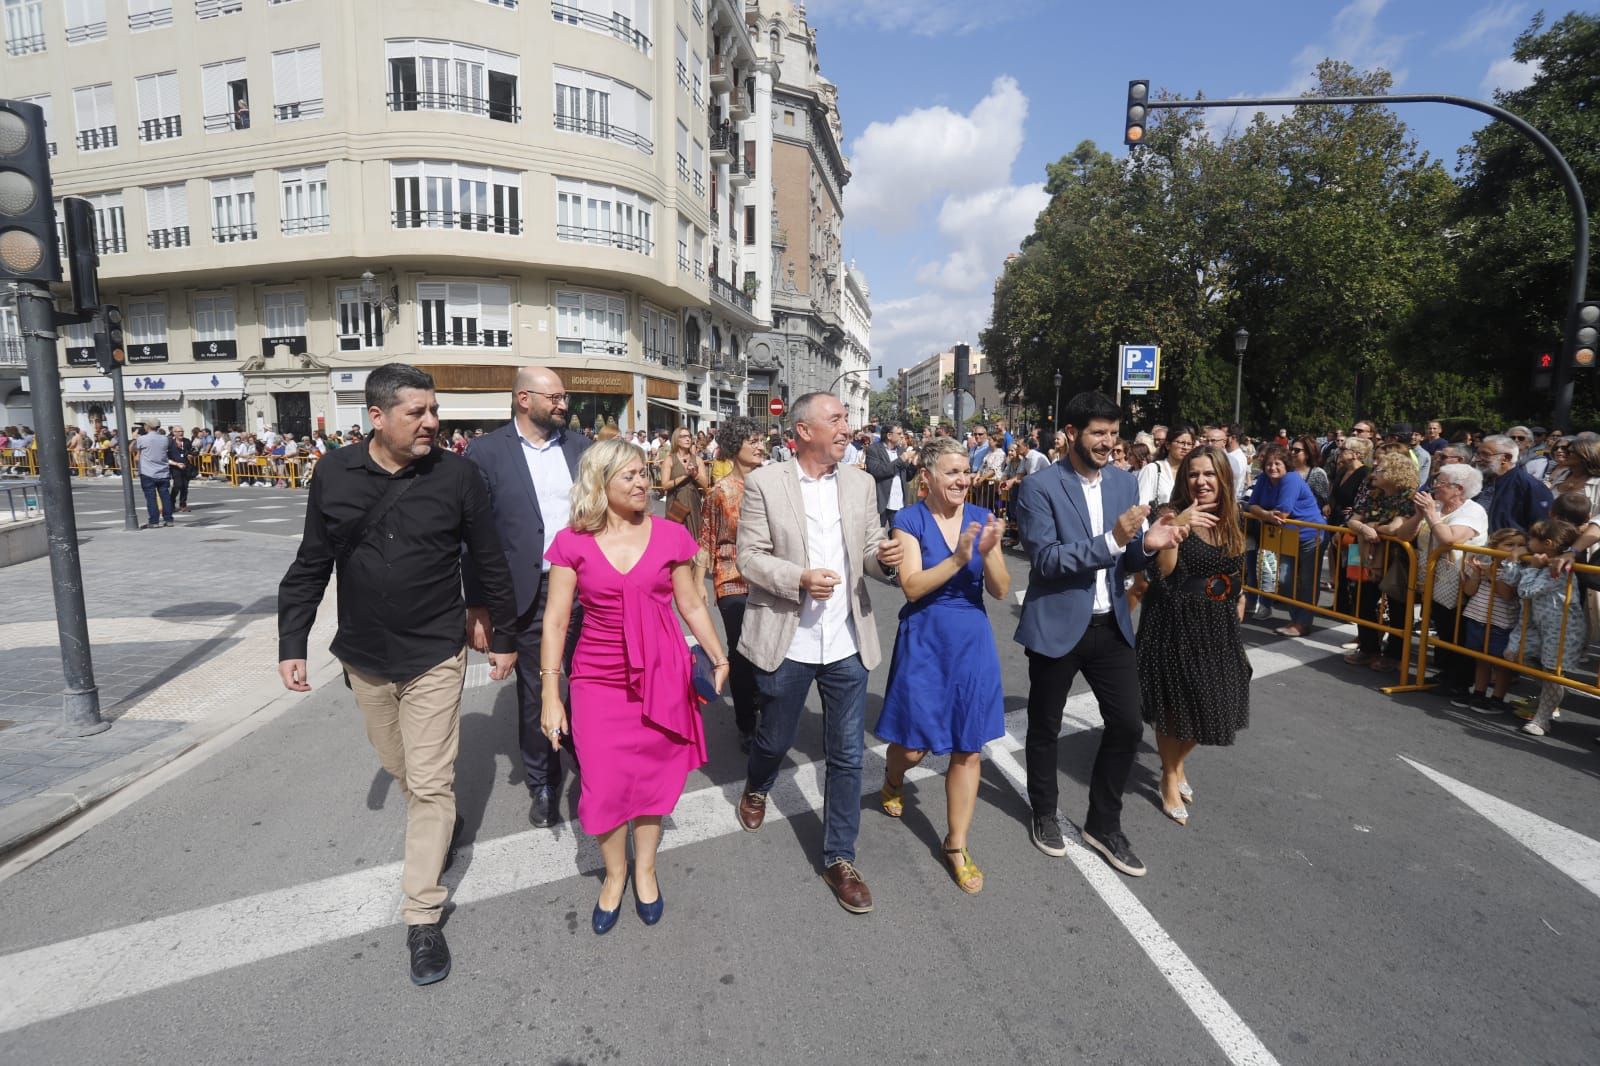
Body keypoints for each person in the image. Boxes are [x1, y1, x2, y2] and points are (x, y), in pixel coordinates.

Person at [276, 362, 520, 987]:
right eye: (418, 412)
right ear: (377, 418)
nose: (433, 423)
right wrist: (292, 641)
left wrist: (504, 637)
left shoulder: (458, 475)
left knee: (432, 784)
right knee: (401, 768)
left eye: (434, 411)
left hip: (436, 651)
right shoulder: (333, 473)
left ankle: (421, 917)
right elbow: (312, 562)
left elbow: (488, 559)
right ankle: (440, 826)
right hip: (363, 654)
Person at [1012, 391, 1211, 878]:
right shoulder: (1039, 487)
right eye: (1097, 433)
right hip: (1058, 624)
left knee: (1126, 725)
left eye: (1112, 434)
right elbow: (1047, 560)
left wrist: (1147, 543)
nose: (1106, 443)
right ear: (1071, 434)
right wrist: (1117, 539)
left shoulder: (1123, 484)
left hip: (1111, 623)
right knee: (1045, 727)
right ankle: (1044, 812)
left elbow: (1129, 559)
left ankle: (1103, 823)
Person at [538, 440, 729, 933]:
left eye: (644, 473)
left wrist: (717, 653)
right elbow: (556, 622)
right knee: (602, 785)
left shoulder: (669, 536)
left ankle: (645, 869)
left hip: (663, 673)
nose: (643, 482)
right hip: (597, 680)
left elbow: (690, 604)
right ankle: (614, 874)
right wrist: (549, 694)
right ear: (600, 483)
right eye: (629, 476)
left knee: (652, 779)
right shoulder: (572, 542)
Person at [732, 392, 904, 913]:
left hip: (848, 642)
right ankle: (758, 784)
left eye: (846, 417)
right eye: (835, 418)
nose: (846, 425)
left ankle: (839, 859)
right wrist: (799, 578)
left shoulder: (858, 481)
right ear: (804, 431)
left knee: (848, 755)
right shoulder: (766, 483)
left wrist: (886, 559)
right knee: (774, 739)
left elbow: (870, 546)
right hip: (790, 639)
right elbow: (749, 557)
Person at [874, 436, 1009, 894]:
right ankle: (893, 777)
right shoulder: (909, 520)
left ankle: (956, 844)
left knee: (968, 747)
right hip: (926, 640)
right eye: (952, 472)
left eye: (965, 471)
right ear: (926, 479)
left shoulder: (981, 518)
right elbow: (911, 586)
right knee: (913, 748)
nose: (962, 480)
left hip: (971, 641)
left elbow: (1002, 590)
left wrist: (988, 551)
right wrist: (958, 558)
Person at [462, 367, 590, 829]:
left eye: (563, 397)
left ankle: (595, 767)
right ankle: (543, 781)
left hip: (585, 586)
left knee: (591, 683)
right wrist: (477, 606)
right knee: (541, 688)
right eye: (554, 397)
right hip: (530, 592)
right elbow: (472, 537)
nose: (563, 404)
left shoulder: (581, 448)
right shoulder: (487, 452)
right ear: (523, 399)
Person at [1137, 445, 1250, 826]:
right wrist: (1177, 528)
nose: (1201, 482)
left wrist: (1240, 595)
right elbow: (1164, 573)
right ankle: (1170, 777)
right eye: (1193, 474)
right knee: (1176, 706)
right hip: (1174, 620)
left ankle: (1178, 763)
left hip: (1217, 621)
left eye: (1209, 474)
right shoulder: (1170, 514)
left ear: (1223, 478)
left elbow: (1236, 564)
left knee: (1217, 698)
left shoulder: (1232, 517)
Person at [701, 417, 768, 752]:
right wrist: (698, 583)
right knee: (741, 652)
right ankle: (746, 723)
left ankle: (763, 705)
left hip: (769, 578)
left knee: (769, 647)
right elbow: (706, 540)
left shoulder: (773, 485)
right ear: (734, 447)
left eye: (761, 440)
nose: (760, 446)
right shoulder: (720, 492)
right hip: (732, 579)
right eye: (752, 441)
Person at [1399, 463, 1490, 700]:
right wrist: (1420, 515)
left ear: (1458, 488)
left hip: (1461, 581)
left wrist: (1430, 515)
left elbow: (1449, 538)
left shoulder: (1473, 511)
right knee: (1442, 626)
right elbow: (1403, 535)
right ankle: (1446, 672)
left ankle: (1460, 681)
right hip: (1432, 578)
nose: (1435, 486)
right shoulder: (1436, 506)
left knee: (1458, 629)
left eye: (1440, 482)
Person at [1503, 518, 1585, 736]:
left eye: (1533, 538)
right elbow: (1512, 581)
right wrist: (1513, 560)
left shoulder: (1559, 567)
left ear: (1547, 543)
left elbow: (1527, 591)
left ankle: (1542, 719)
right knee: (1515, 654)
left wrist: (1532, 568)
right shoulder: (1537, 561)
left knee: (1553, 671)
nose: (1528, 541)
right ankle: (1548, 697)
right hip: (1537, 624)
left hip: (1562, 628)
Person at [1343, 448, 1418, 669]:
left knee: (1397, 605)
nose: (1375, 471)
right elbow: (1352, 521)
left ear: (1396, 472)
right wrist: (1367, 529)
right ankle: (1368, 648)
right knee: (1362, 600)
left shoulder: (1408, 498)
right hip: (1363, 552)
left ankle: (1394, 655)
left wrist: (1371, 527)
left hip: (1394, 557)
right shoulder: (1373, 494)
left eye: (1381, 468)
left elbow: (1396, 529)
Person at [1245, 443, 1324, 637]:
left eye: (1277, 463)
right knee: (1283, 579)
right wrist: (1265, 513)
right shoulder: (1264, 478)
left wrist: (1264, 513)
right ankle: (1297, 619)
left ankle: (1302, 623)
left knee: (1307, 581)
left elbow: (1282, 513)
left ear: (1286, 464)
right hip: (1286, 535)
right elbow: (1251, 505)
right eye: (1269, 464)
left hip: (1309, 535)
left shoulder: (1291, 479)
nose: (1272, 468)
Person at [1452, 527, 1525, 714]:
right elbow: (1469, 591)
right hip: (1477, 616)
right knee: (1481, 659)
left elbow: (1507, 594)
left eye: (1520, 545)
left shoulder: (1516, 570)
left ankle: (1498, 698)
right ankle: (1478, 692)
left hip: (1502, 621)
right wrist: (1477, 574)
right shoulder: (1484, 563)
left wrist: (1492, 576)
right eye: (1509, 545)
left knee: (1500, 663)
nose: (1515, 549)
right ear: (1494, 546)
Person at [656, 426, 711, 592]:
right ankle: (678, 578)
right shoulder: (670, 459)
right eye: (684, 436)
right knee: (677, 542)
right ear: (676, 440)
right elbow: (664, 485)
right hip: (676, 504)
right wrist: (684, 476)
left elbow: (705, 484)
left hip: (693, 504)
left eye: (689, 436)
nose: (688, 439)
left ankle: (694, 581)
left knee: (695, 540)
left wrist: (694, 475)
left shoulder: (698, 460)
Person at [1474, 434, 1552, 532]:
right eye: (1478, 454)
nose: (1477, 459)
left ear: (1506, 458)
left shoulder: (1530, 486)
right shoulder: (1477, 479)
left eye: (1485, 455)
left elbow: (1541, 526)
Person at [864, 424, 915, 527]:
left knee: (897, 535)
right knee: (877, 536)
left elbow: (907, 477)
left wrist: (914, 465)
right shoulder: (874, 450)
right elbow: (877, 472)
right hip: (881, 502)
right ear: (889, 435)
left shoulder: (901, 450)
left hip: (899, 503)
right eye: (899, 433)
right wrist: (901, 460)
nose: (902, 436)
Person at [1135, 423, 1194, 508]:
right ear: (1168, 445)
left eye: (1189, 444)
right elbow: (1141, 505)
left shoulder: (1192, 472)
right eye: (1181, 443)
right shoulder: (1152, 470)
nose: (1185, 447)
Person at [132, 418, 176, 528]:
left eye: (143, 426)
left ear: (147, 426)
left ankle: (154, 521)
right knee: (165, 496)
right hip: (163, 472)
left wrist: (134, 438)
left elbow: (131, 449)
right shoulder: (165, 439)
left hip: (148, 472)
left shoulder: (142, 439)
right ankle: (168, 519)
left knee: (151, 498)